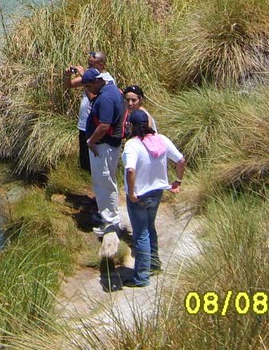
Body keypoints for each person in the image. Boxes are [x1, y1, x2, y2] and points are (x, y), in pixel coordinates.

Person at [121, 109, 185, 288]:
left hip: (139, 195)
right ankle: (154, 265)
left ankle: (141, 277)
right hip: (157, 192)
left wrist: (132, 192)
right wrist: (178, 181)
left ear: (131, 126)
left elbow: (131, 170)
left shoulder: (132, 145)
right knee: (150, 228)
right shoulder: (161, 139)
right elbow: (181, 160)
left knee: (141, 234)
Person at [83, 67, 126, 235]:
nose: (87, 89)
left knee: (104, 182)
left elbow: (104, 125)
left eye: (88, 86)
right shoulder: (111, 90)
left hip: (103, 146)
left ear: (97, 81)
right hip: (107, 146)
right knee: (107, 181)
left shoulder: (106, 97)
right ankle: (108, 216)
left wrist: (91, 141)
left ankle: (110, 223)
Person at [66, 52, 117, 172]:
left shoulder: (106, 80)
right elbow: (68, 85)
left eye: (91, 65)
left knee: (96, 160)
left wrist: (85, 77)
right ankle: (87, 182)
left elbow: (94, 98)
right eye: (88, 64)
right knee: (84, 161)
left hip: (96, 124)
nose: (88, 67)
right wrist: (67, 75)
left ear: (101, 64)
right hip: (84, 124)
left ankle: (97, 185)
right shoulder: (89, 78)